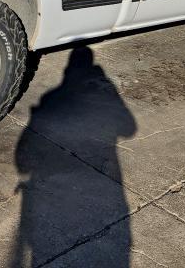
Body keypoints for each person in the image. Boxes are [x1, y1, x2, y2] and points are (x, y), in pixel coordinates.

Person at [11, 47, 137, 267]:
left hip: (49, 196)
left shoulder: (50, 97)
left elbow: (23, 155)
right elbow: (129, 128)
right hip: (103, 189)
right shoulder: (102, 92)